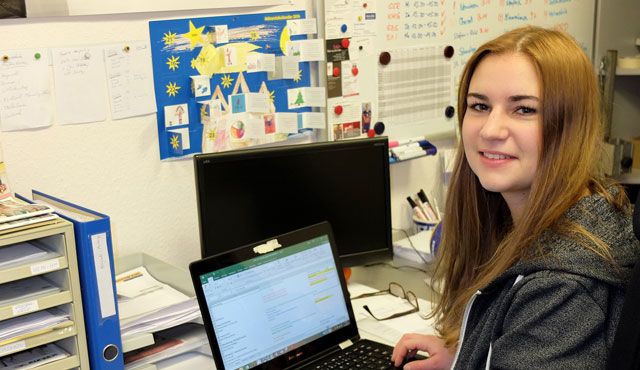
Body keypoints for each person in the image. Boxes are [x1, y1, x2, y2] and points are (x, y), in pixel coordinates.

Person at [391, 26, 640, 369]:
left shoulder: (562, 289)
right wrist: (469, 356)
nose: (491, 130)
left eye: (523, 109)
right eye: (479, 105)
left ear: (570, 124)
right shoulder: (582, 211)